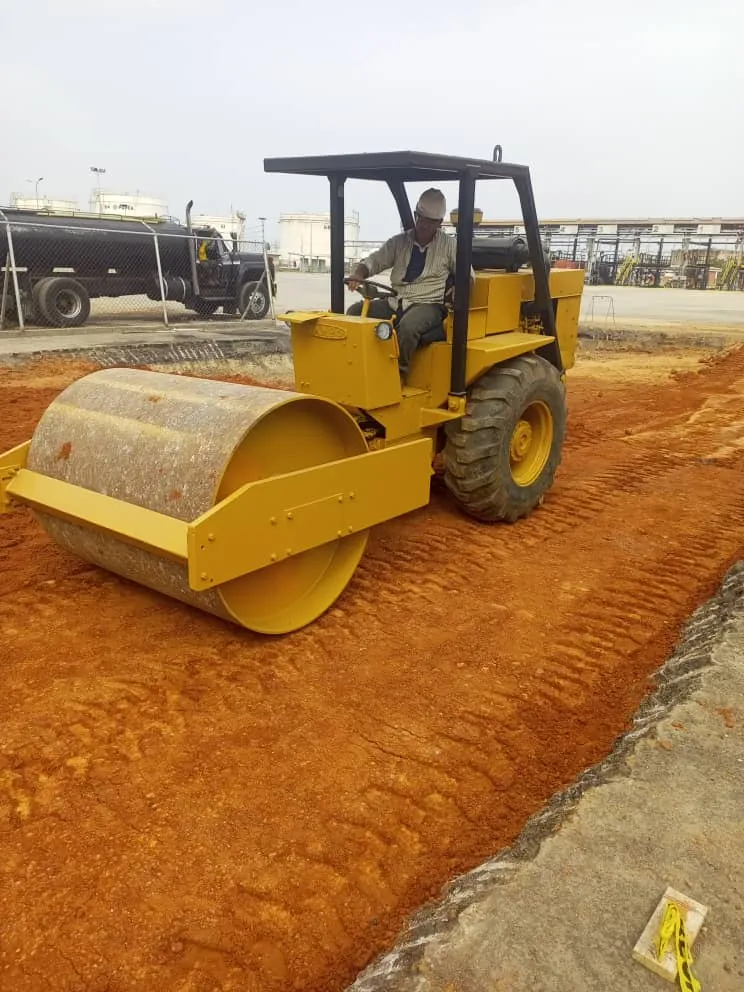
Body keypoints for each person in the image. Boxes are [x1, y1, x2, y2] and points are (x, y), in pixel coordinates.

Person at [347, 188, 470, 379]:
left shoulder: (450, 246)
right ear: (415, 215)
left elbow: (467, 276)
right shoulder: (399, 242)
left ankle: (397, 376)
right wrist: (358, 274)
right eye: (421, 218)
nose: (424, 225)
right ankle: (358, 369)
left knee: (408, 327)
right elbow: (375, 261)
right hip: (396, 300)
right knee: (355, 313)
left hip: (429, 304)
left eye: (430, 221)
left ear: (439, 223)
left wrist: (459, 292)